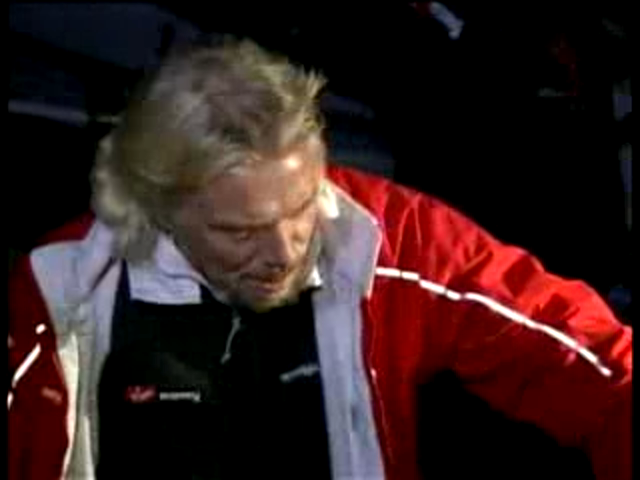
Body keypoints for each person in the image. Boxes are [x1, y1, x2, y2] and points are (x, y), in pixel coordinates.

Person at [8, 38, 631, 480]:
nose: (285, 252)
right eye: (240, 232)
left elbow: (596, 364)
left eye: (302, 206)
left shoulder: (394, 242)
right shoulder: (60, 295)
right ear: (160, 208)